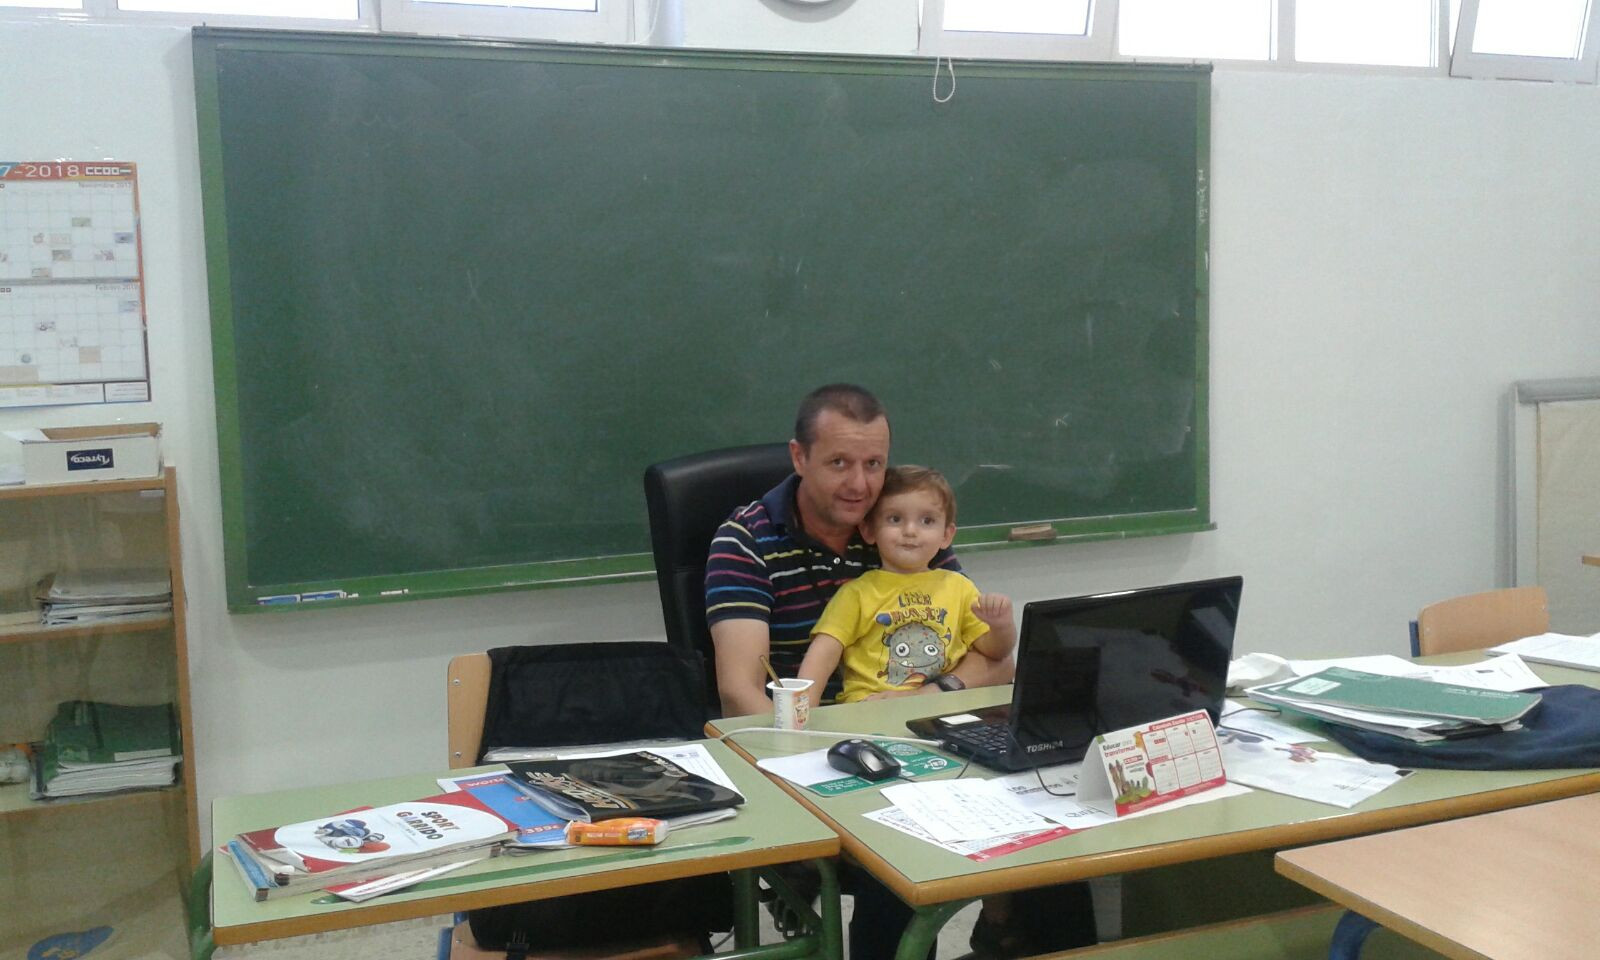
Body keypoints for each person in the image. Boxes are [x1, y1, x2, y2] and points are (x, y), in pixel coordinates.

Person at [705, 384, 1011, 716]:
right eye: (839, 463)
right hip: (805, 727)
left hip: (920, 720)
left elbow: (999, 663)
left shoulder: (903, 530)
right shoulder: (746, 539)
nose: (859, 485)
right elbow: (739, 693)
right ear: (799, 457)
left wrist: (925, 695)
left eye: (873, 464)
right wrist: (802, 740)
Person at [797, 465, 1015, 702]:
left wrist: (1001, 625)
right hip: (872, 710)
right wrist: (802, 711)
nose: (910, 531)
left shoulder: (960, 588)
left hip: (943, 708)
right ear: (869, 530)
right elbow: (823, 655)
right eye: (895, 519)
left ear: (946, 535)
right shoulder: (856, 594)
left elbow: (996, 652)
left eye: (927, 520)